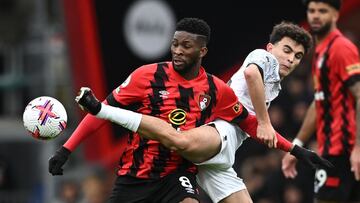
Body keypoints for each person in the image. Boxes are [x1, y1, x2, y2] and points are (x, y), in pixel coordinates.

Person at [73, 22, 332, 203]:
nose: (291, 59)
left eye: (298, 56)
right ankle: (103, 110)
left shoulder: (275, 82)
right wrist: (265, 123)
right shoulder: (262, 59)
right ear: (271, 47)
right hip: (220, 132)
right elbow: (252, 75)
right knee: (178, 140)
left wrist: (297, 151)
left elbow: (254, 126)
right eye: (286, 50)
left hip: (222, 157)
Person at [49, 17, 255, 203]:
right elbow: (101, 112)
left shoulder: (216, 88)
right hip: (136, 176)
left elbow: (249, 122)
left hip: (177, 175)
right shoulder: (146, 76)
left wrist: (287, 147)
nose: (178, 50)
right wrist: (66, 149)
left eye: (186, 45)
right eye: (174, 44)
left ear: (202, 51)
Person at [281, 0, 360, 202]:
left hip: (343, 151)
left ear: (335, 15)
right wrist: (296, 145)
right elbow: (318, 102)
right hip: (331, 150)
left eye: (322, 11)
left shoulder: (341, 48)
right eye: (312, 10)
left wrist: (358, 148)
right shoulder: (320, 51)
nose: (315, 15)